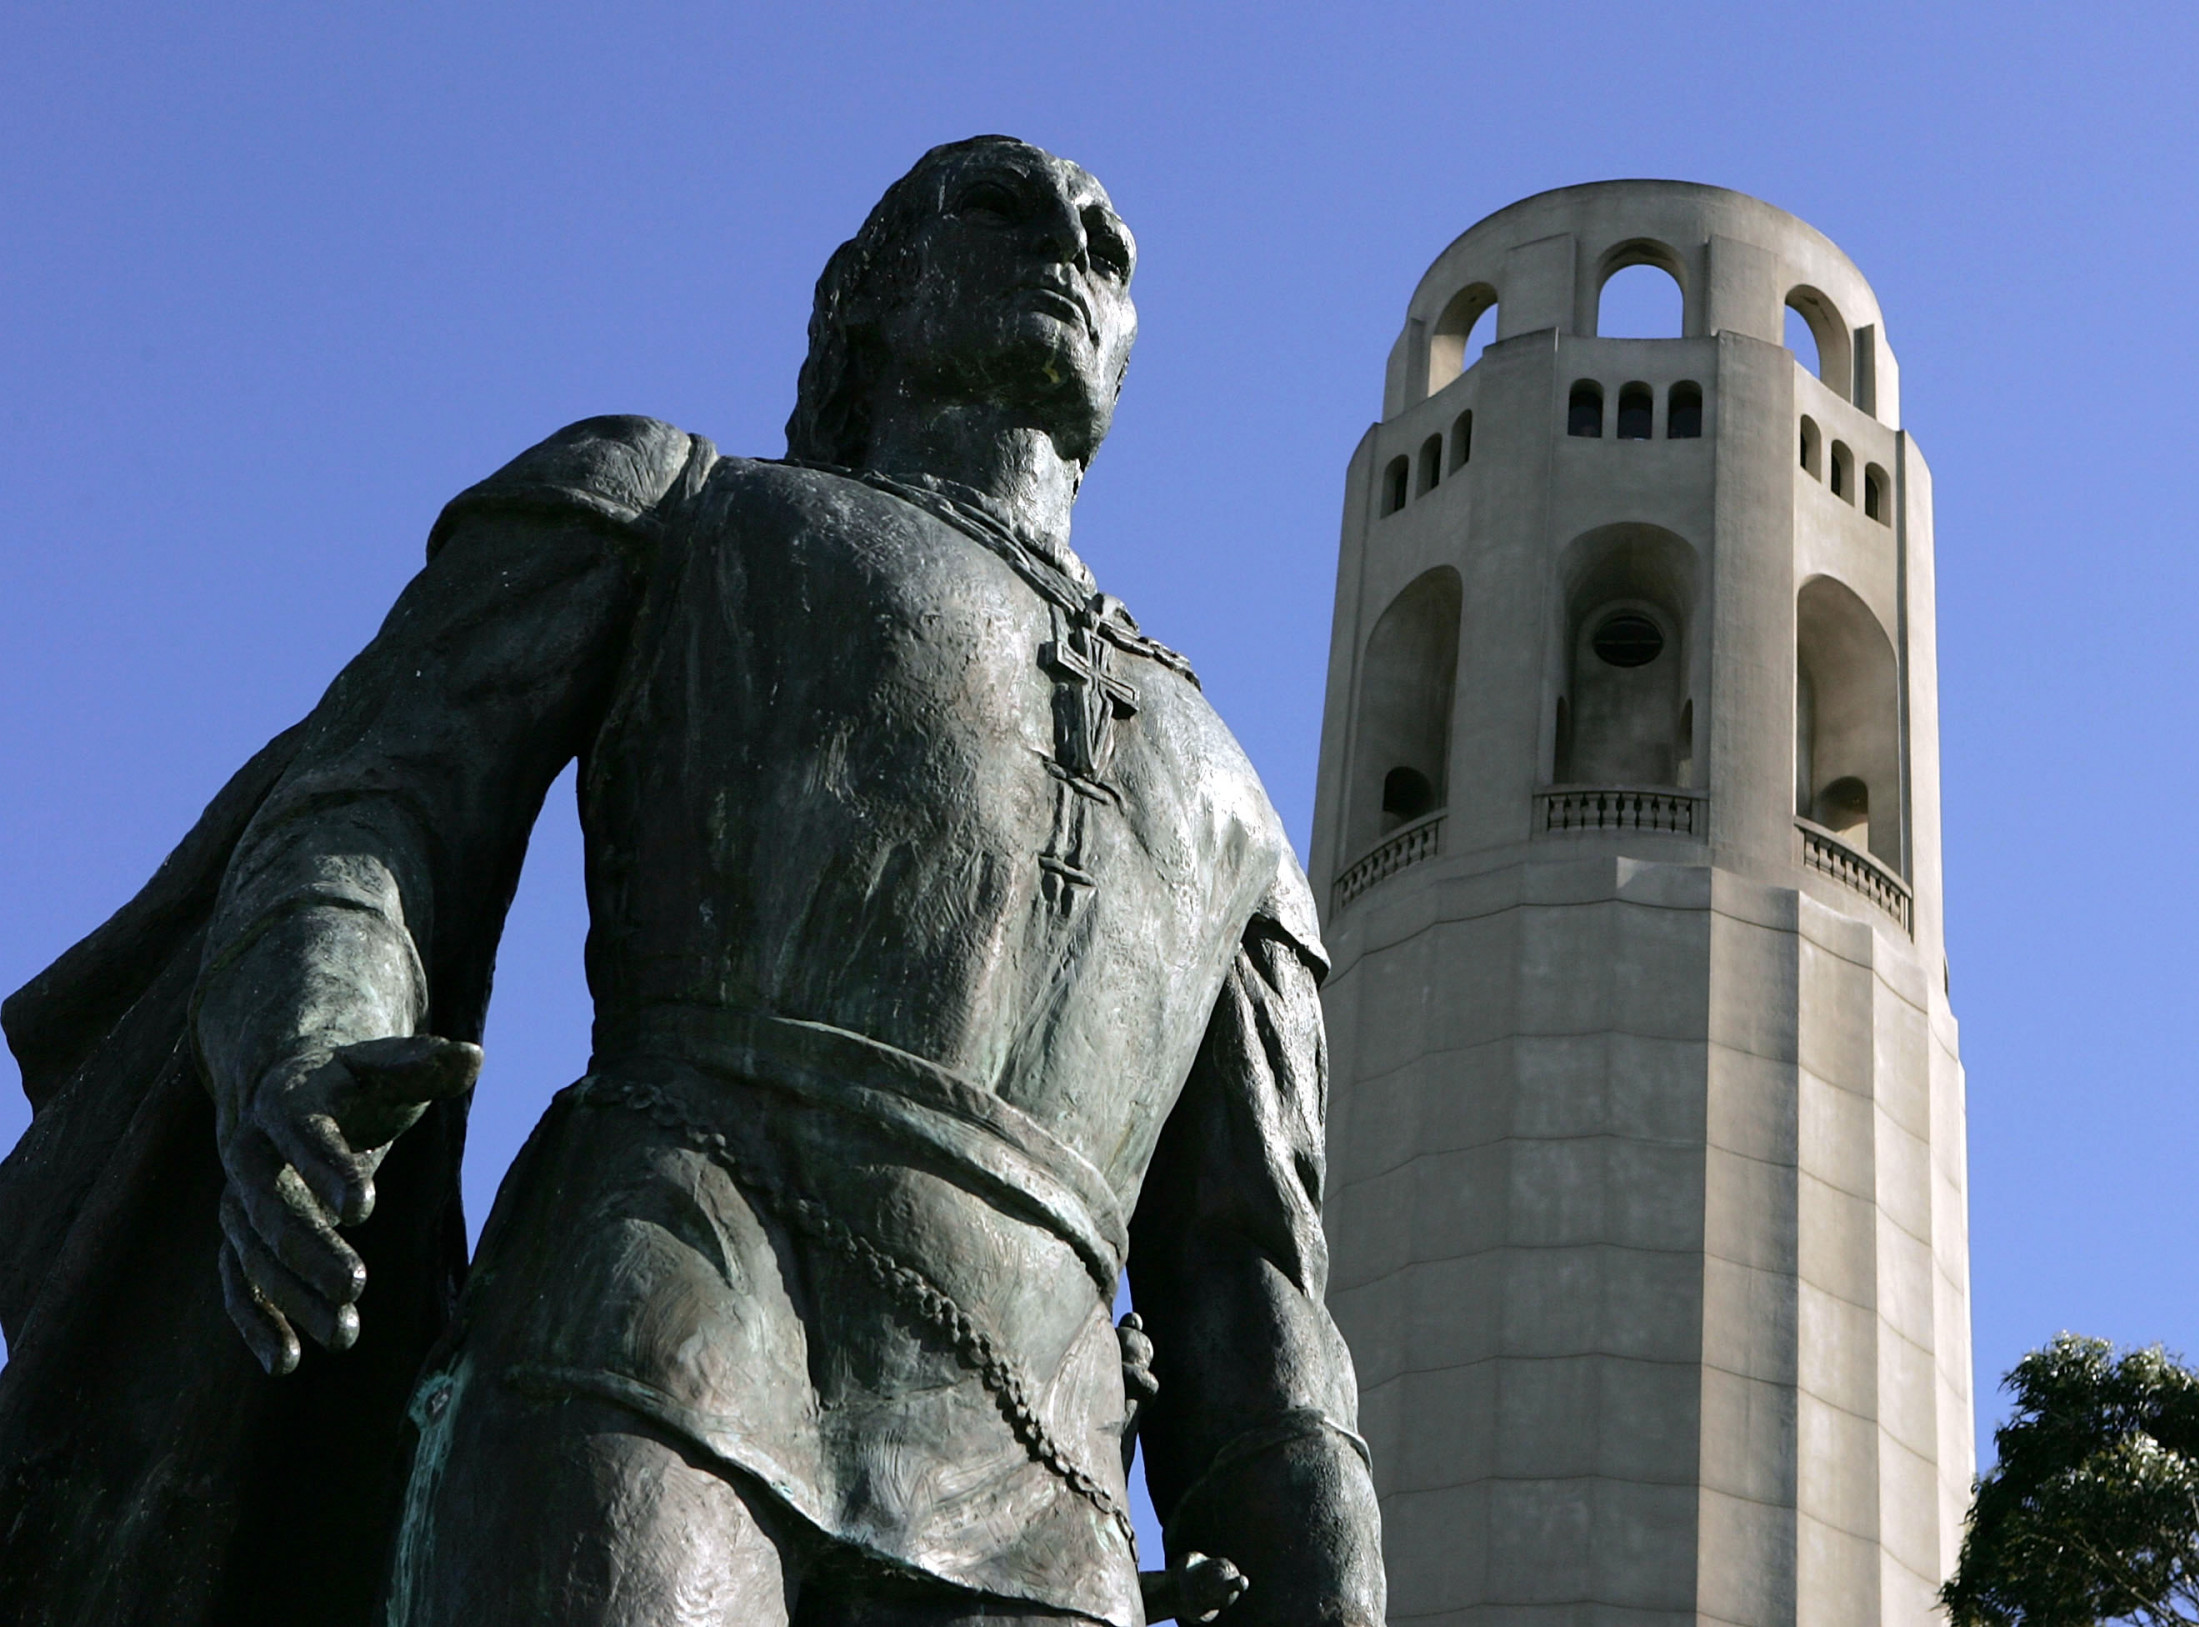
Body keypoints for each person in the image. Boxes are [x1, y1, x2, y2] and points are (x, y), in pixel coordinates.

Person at [0, 136, 1383, 1627]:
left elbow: (1252, 1286)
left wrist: (1327, 1571)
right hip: (655, 1319)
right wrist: (311, 1031)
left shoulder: (1231, 798)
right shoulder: (682, 506)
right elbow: (378, 794)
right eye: (1000, 207)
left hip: (1046, 1495)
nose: (1069, 245)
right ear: (869, 295)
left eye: (1110, 250)